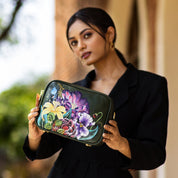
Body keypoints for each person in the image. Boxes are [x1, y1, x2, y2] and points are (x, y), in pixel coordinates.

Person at [23, 7, 169, 178]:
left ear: (109, 34)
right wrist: (35, 136)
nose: (80, 46)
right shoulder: (71, 93)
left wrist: (122, 144)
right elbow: (47, 147)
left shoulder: (150, 86)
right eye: (74, 42)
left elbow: (155, 154)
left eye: (87, 35)